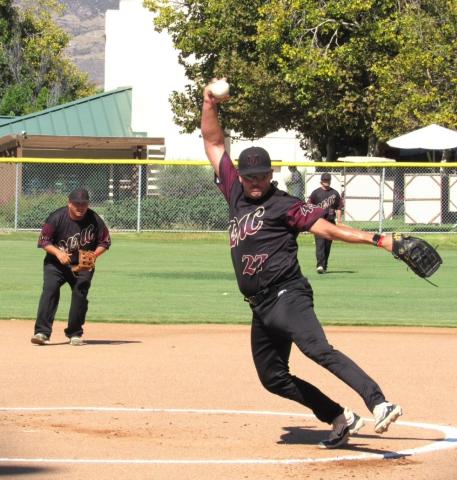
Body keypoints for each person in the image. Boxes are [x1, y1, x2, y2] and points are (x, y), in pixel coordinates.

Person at [201, 80, 402, 449]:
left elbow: (327, 227)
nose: (255, 181)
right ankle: (339, 416)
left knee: (317, 348)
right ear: (241, 176)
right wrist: (209, 103)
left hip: (287, 295)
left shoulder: (286, 204)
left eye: (261, 175)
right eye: (249, 176)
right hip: (260, 307)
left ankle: (379, 401)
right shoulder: (234, 192)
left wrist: (378, 239)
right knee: (273, 377)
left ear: (271, 173)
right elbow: (214, 143)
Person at [31, 188, 111, 346]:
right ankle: (42, 333)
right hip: (56, 264)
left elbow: (105, 242)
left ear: (88, 204)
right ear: (69, 203)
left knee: (80, 293)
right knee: (50, 290)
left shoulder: (95, 219)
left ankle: (75, 333)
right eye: (77, 203)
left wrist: (94, 255)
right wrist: (58, 253)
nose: (80, 207)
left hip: (82, 266)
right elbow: (44, 241)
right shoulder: (56, 217)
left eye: (84, 203)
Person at [308, 173, 343, 273]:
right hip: (318, 222)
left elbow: (339, 207)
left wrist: (339, 220)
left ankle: (324, 265)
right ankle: (320, 265)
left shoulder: (335, 193)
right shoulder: (315, 193)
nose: (326, 182)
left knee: (327, 245)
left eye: (327, 180)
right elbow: (309, 206)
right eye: (324, 180)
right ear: (321, 181)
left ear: (330, 181)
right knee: (320, 244)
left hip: (330, 222)